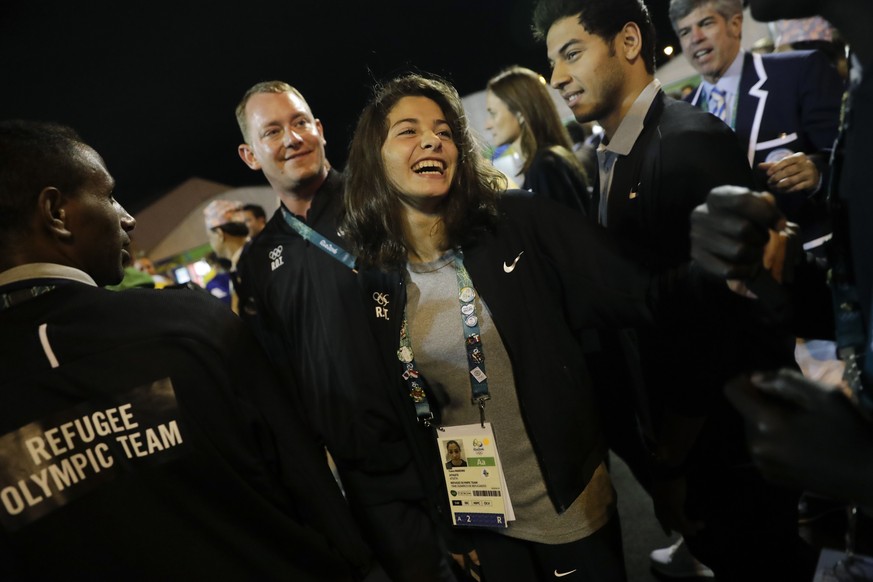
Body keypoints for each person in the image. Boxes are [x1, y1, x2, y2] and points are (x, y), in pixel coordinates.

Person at [339, 71, 717, 582]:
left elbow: (642, 289)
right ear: (374, 158)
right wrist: (452, 525)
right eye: (408, 130)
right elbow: (410, 418)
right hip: (483, 520)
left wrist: (728, 266)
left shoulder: (516, 223)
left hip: (569, 513)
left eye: (445, 130)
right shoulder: (379, 281)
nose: (432, 138)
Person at [0, 119, 375, 580]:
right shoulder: (189, 323)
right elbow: (304, 476)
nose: (127, 217)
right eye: (110, 194)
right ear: (56, 212)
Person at [532, 0, 818, 580]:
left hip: (734, 449)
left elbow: (740, 316)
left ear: (629, 43)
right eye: (552, 62)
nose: (558, 77)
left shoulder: (685, 142)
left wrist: (677, 454)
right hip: (698, 448)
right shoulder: (616, 152)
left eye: (572, 53)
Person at [232, 80, 456, 582]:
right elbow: (281, 377)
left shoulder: (383, 202)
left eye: (300, 122)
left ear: (320, 130)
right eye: (273, 131)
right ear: (250, 155)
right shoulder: (257, 263)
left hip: (447, 439)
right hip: (368, 475)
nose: (292, 138)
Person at [689, 0, 873, 556]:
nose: (695, 37)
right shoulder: (862, 87)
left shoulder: (807, 72)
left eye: (704, 21)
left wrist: (864, 466)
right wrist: (777, 271)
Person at [669, 0, 845, 245]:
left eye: (705, 23)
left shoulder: (798, 70)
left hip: (810, 255)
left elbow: (850, 158)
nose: (695, 38)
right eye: (684, 31)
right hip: (735, 271)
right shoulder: (680, 114)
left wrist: (816, 172)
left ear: (735, 24)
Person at [484, 65, 590, 212]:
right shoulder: (542, 163)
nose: (487, 125)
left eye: (493, 113)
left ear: (520, 112)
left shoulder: (545, 165)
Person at [203, 198, 248, 312]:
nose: (210, 243)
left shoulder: (247, 266)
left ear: (219, 234)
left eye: (210, 237)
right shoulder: (242, 264)